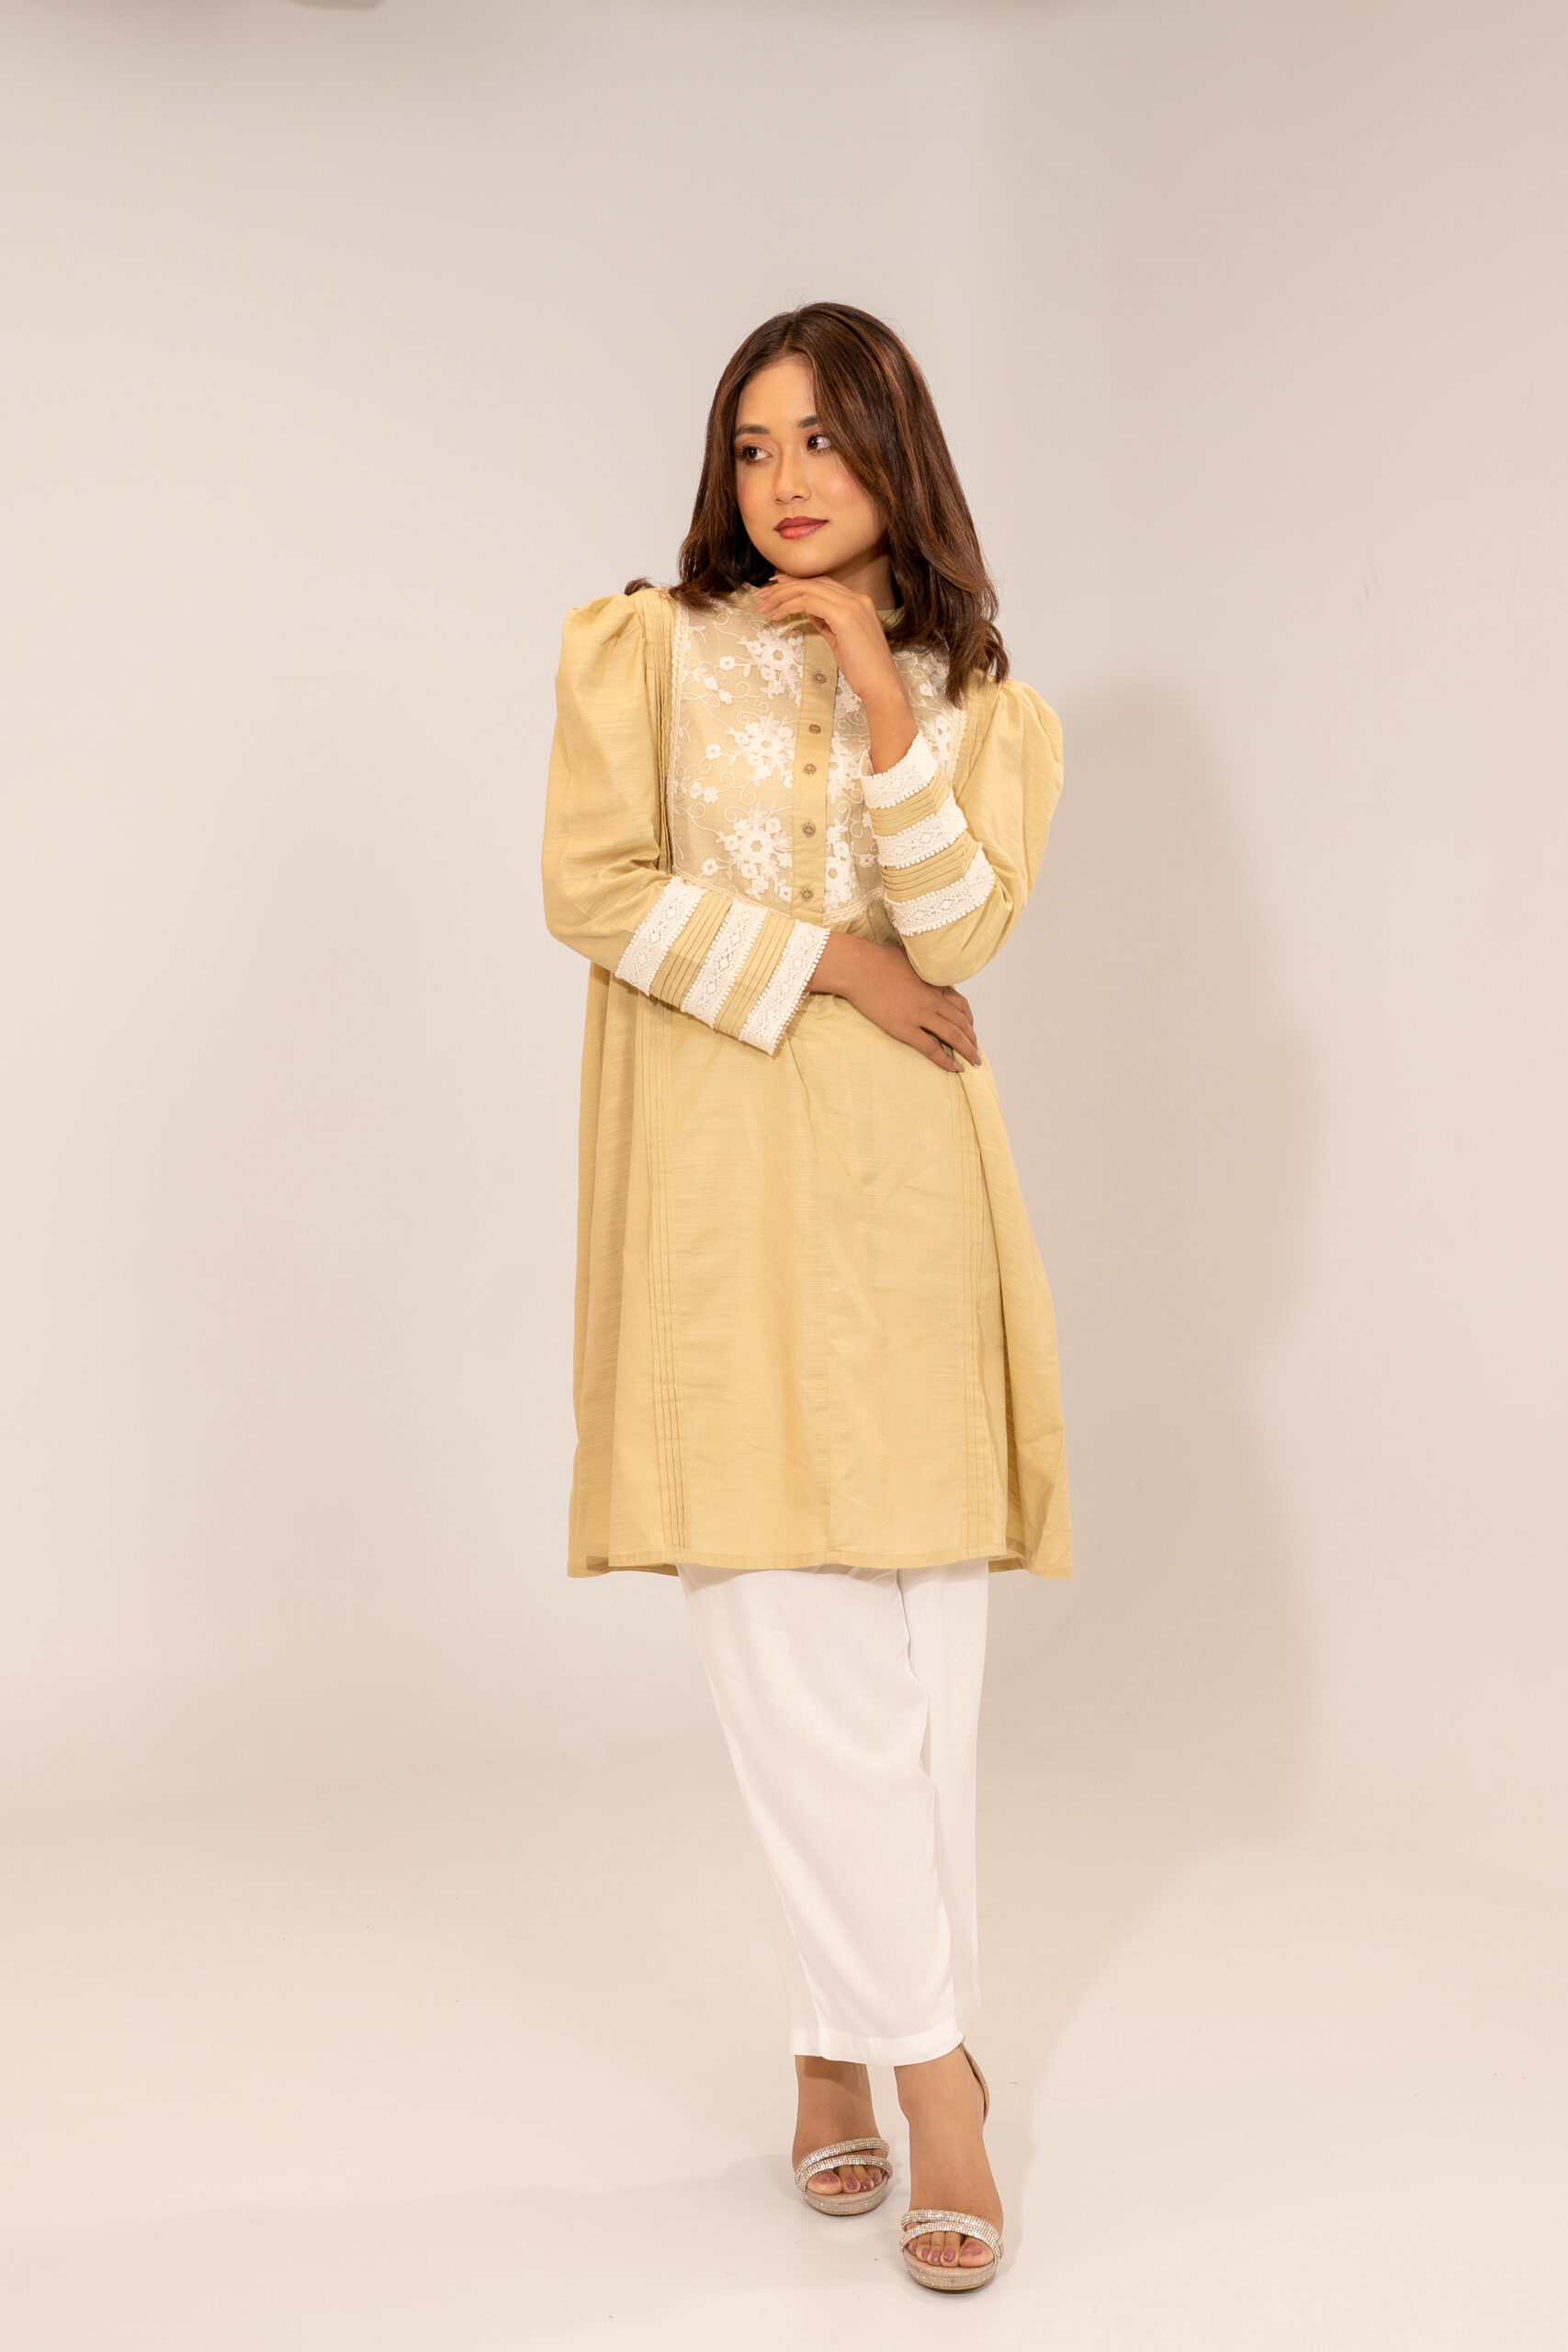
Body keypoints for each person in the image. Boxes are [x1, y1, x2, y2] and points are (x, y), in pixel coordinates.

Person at [541, 302, 1070, 2292]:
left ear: (895, 454)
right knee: (787, 1650)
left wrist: (872, 690)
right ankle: (940, 2079)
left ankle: (827, 2046)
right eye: (753, 444)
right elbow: (593, 888)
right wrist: (836, 967)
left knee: (918, 1673)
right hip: (720, 1194)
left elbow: (962, 926)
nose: (783, 479)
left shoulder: (979, 699)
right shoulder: (644, 650)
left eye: (825, 440)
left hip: (908, 1194)